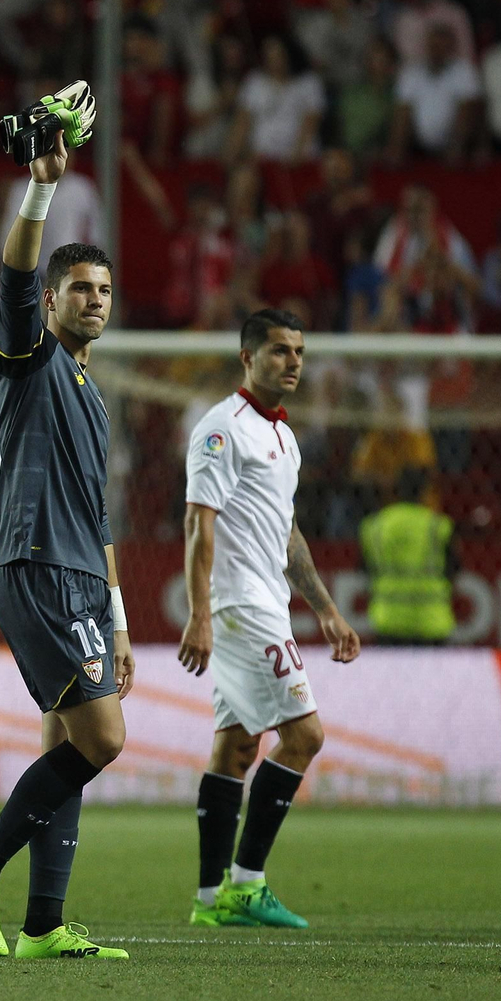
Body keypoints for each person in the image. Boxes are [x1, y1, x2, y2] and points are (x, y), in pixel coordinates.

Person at [0, 126, 135, 961]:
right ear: (52, 302)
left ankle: (46, 922)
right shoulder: (28, 356)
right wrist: (43, 189)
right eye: (79, 288)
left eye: (103, 289)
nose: (93, 300)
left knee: (67, 742)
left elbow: (98, 516)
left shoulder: (92, 393)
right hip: (38, 569)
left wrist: (119, 617)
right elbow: (16, 270)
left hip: (83, 577)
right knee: (106, 740)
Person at [179, 309, 362, 929]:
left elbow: (286, 535)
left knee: (236, 747)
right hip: (238, 609)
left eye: (300, 352)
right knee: (305, 736)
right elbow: (197, 523)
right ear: (247, 357)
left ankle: (210, 900)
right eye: (279, 350)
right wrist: (200, 615)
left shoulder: (284, 440)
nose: (293, 362)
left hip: (265, 603)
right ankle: (247, 884)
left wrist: (327, 610)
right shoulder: (222, 429)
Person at [360, 467, 455, 645]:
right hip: (431, 622)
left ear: (396, 489)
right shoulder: (437, 525)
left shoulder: (376, 525)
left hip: (388, 620)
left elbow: (365, 568)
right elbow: (453, 568)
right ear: (425, 491)